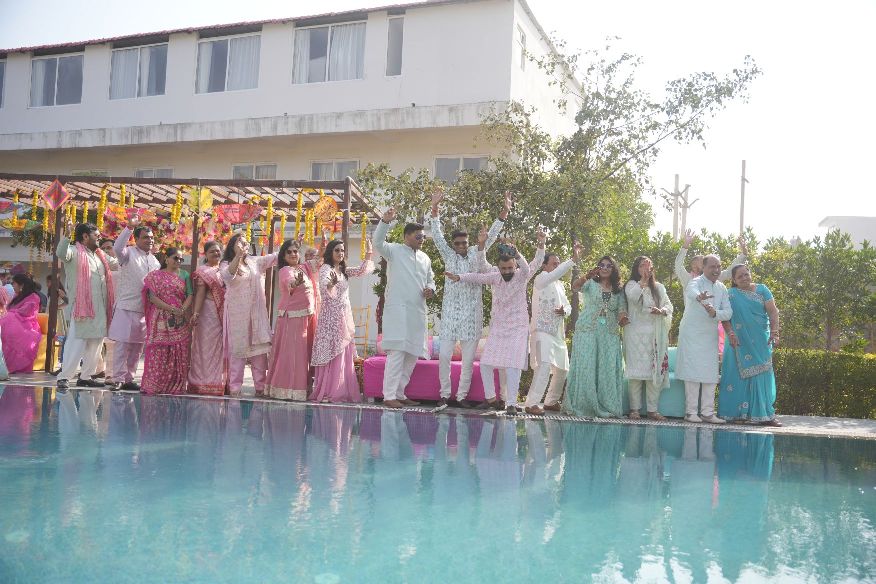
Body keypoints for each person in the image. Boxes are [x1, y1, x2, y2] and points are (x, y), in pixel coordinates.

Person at [447, 231, 546, 415]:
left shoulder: (522, 275)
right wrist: (460, 276)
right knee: (486, 363)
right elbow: (478, 275)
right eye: (503, 268)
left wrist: (532, 248)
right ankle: (491, 399)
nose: (507, 271)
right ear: (498, 268)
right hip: (499, 326)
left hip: (518, 327)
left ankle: (511, 404)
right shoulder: (495, 276)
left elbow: (530, 265)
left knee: (513, 365)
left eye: (510, 268)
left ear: (514, 265)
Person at [428, 188, 509, 407]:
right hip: (450, 317)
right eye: (458, 243)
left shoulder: (476, 252)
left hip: (472, 317)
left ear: (468, 242)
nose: (462, 246)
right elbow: (437, 235)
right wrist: (434, 207)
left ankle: (461, 397)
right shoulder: (448, 255)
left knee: (467, 361)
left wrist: (504, 212)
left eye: (464, 242)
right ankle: (444, 395)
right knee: (444, 357)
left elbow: (491, 235)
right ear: (453, 244)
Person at [373, 208, 435, 409]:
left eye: (423, 237)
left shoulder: (425, 258)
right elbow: (377, 243)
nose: (421, 239)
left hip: (417, 312)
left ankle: (400, 393)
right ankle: (389, 395)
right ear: (406, 236)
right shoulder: (394, 250)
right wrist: (384, 222)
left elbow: (431, 279)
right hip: (398, 311)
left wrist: (431, 289)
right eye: (418, 236)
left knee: (412, 354)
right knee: (398, 353)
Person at [55, 221, 118, 390]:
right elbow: (60, 252)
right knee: (77, 342)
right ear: (85, 236)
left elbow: (116, 263)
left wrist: (117, 246)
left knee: (96, 343)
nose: (99, 238)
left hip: (100, 307)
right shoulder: (73, 251)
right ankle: (64, 377)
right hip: (82, 306)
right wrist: (67, 234)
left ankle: (86, 376)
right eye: (96, 235)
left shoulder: (100, 255)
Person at [310, 239, 374, 402]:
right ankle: (328, 391)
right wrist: (331, 285)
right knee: (332, 352)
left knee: (342, 351)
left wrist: (369, 252)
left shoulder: (343, 270)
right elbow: (324, 287)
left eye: (342, 250)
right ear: (330, 252)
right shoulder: (326, 268)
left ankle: (340, 390)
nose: (340, 253)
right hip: (330, 317)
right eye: (337, 250)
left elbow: (361, 271)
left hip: (343, 316)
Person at [564, 256, 629, 418]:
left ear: (613, 269)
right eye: (602, 265)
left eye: (609, 266)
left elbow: (622, 309)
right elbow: (575, 287)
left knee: (606, 368)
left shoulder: (619, 290)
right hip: (587, 329)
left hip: (609, 333)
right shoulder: (590, 283)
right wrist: (587, 275)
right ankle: (584, 404)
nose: (605, 268)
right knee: (587, 365)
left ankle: (606, 404)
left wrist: (624, 319)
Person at [718, 265, 782, 426]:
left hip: (760, 339)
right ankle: (736, 414)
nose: (744, 278)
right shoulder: (730, 294)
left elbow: (773, 312)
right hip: (737, 341)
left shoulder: (762, 289)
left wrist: (775, 331)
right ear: (734, 280)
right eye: (740, 276)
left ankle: (765, 414)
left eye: (746, 274)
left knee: (763, 373)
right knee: (735, 374)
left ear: (750, 274)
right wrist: (730, 333)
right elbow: (725, 316)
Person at [523, 242, 582, 415]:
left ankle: (551, 401)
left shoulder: (559, 285)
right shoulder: (541, 279)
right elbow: (555, 274)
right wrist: (572, 260)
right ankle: (531, 404)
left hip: (557, 333)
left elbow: (568, 306)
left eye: (558, 263)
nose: (556, 267)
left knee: (563, 368)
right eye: (554, 264)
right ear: (544, 266)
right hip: (541, 331)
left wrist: (565, 310)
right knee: (543, 366)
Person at [676, 254, 732, 424]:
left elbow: (728, 312)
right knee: (692, 371)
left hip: (709, 335)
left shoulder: (722, 287)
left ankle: (708, 413)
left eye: (718, 266)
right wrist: (699, 296)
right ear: (704, 267)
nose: (716, 269)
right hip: (691, 334)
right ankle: (691, 412)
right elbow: (691, 291)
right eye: (712, 266)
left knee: (710, 372)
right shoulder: (696, 282)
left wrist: (715, 313)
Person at [220, 232, 277, 396]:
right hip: (238, 316)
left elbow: (274, 257)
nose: (244, 246)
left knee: (259, 353)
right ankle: (235, 389)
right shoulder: (226, 263)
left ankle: (260, 388)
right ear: (232, 246)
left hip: (257, 315)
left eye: (245, 243)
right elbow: (227, 276)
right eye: (240, 243)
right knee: (238, 353)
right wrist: (238, 256)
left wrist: (295, 244)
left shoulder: (254, 262)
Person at [108, 216, 160, 391]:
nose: (149, 240)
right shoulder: (128, 253)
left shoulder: (155, 261)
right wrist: (129, 228)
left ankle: (129, 378)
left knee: (137, 347)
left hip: (144, 310)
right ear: (136, 239)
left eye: (151, 238)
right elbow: (117, 247)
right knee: (122, 345)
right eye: (145, 237)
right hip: (126, 306)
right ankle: (117, 378)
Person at [265, 239, 318, 401]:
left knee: (304, 354)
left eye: (295, 251)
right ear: (283, 256)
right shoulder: (285, 270)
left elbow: (320, 259)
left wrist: (323, 242)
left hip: (306, 318)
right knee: (293, 355)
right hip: (292, 319)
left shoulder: (304, 267)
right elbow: (290, 283)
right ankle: (287, 390)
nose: (293, 254)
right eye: (289, 252)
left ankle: (302, 388)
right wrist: (296, 282)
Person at [623, 256, 673, 421]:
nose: (646, 269)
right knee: (635, 375)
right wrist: (643, 282)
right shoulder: (631, 285)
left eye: (649, 266)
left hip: (654, 335)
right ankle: (634, 410)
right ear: (636, 269)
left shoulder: (659, 287)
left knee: (654, 373)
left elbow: (669, 306)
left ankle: (652, 410)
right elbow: (633, 297)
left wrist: (662, 311)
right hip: (635, 335)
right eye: (642, 266)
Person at [140, 247, 193, 395]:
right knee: (159, 351)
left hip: (178, 319)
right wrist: (171, 309)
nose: (179, 261)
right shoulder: (155, 276)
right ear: (166, 259)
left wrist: (182, 309)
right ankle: (154, 385)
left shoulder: (185, 275)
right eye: (176, 258)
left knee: (178, 350)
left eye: (181, 259)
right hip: (160, 317)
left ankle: (175, 384)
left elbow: (190, 294)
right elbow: (152, 297)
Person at [188, 240, 227, 396]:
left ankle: (217, 381)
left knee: (219, 347)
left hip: (223, 314)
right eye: (212, 251)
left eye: (218, 251)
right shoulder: (203, 271)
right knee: (204, 347)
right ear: (205, 254)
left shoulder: (225, 269)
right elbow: (200, 294)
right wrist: (196, 313)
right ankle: (201, 382)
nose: (216, 253)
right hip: (207, 313)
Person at [674, 229, 748, 290]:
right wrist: (686, 245)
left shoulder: (715, 276)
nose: (706, 262)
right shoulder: (688, 279)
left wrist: (744, 254)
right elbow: (678, 265)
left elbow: (729, 271)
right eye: (703, 261)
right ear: (694, 267)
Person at [0, 273, 42, 373]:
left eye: (14, 283)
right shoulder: (17, 296)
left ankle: (8, 364)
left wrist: (11, 313)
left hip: (28, 325)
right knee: (7, 319)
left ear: (21, 285)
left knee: (8, 318)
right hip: (15, 323)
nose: (12, 286)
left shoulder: (34, 297)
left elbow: (26, 312)